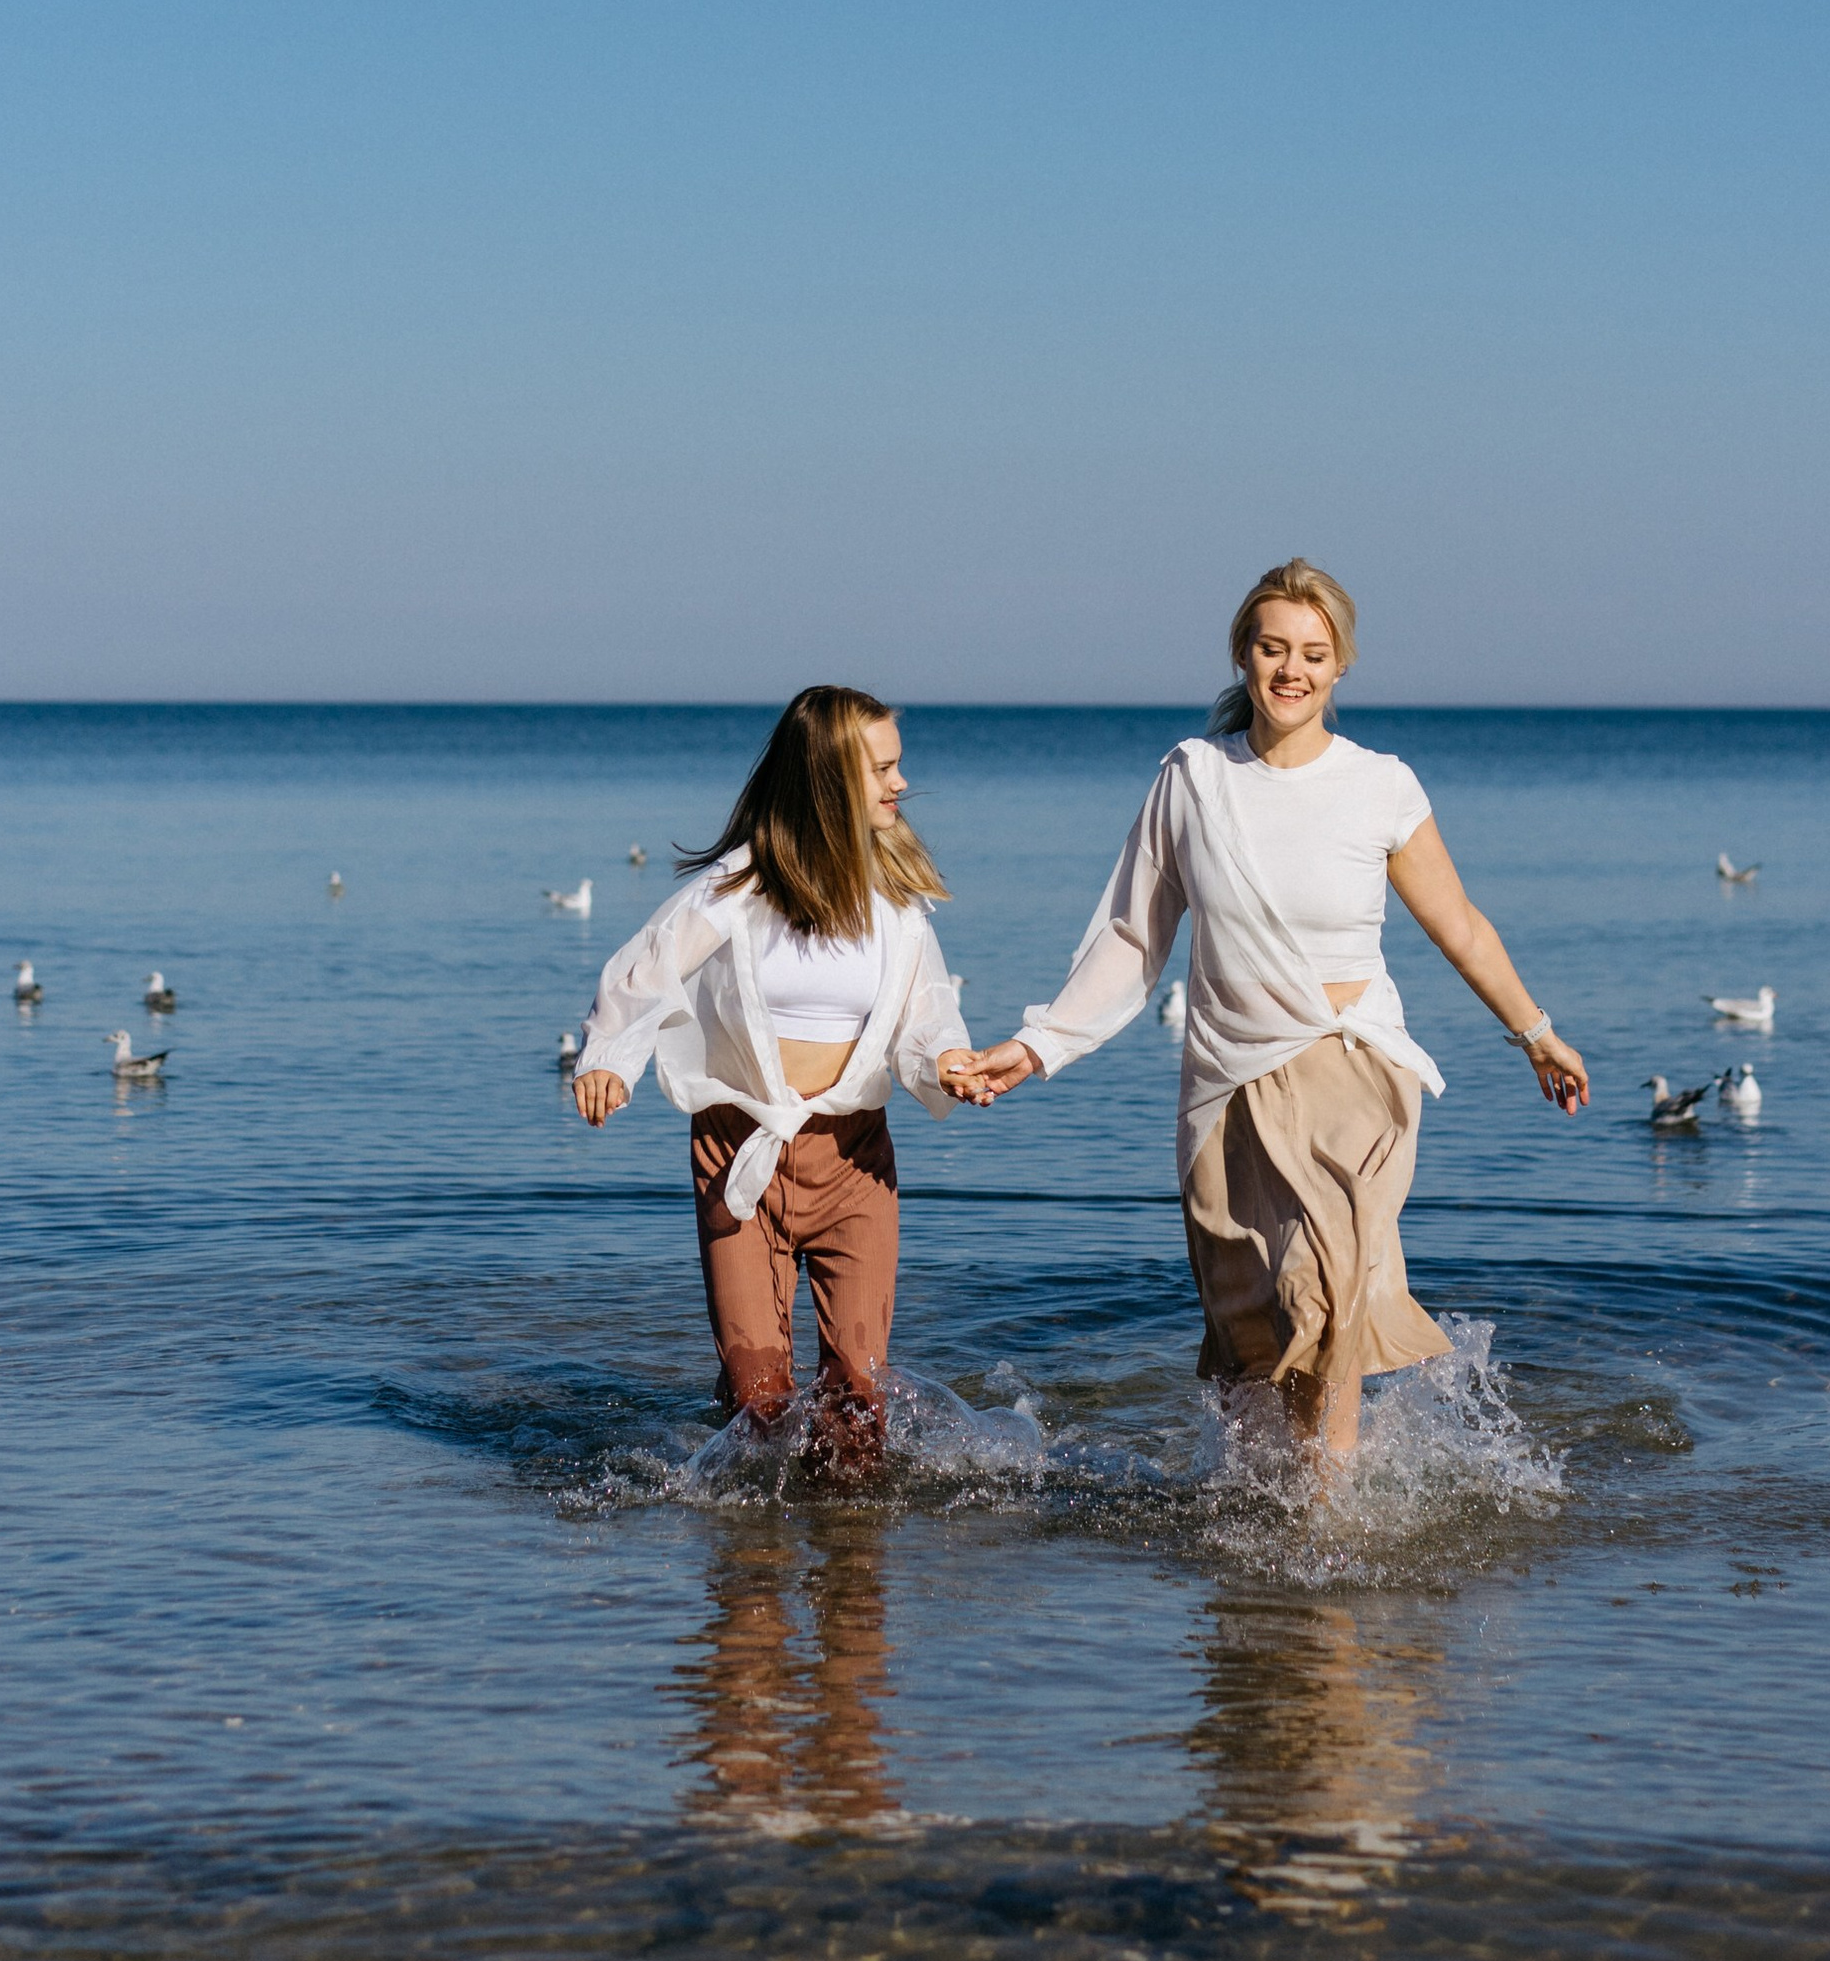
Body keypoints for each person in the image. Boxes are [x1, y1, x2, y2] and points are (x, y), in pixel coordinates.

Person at [958, 562, 1587, 1462]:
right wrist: (1038, 1044)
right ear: (1244, 656)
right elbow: (1135, 938)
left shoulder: (1381, 786)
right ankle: (1260, 1507)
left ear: (1341, 669)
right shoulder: (1194, 779)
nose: (1291, 670)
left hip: (1353, 1073)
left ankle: (1324, 1520)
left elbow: (1463, 928)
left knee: (1327, 1302)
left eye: (1313, 654)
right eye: (1273, 648)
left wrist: (1537, 1035)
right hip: (1230, 1082)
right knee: (1258, 1325)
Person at [571, 687, 980, 1475]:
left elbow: (926, 1015)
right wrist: (608, 1063)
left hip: (855, 1162)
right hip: (738, 1155)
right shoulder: (738, 887)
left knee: (858, 1407)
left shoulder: (896, 902)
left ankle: (852, 1574)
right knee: (758, 1406)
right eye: (884, 769)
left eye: (900, 767)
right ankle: (750, 1577)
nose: (902, 785)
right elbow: (642, 970)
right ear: (828, 779)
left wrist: (946, 1065)